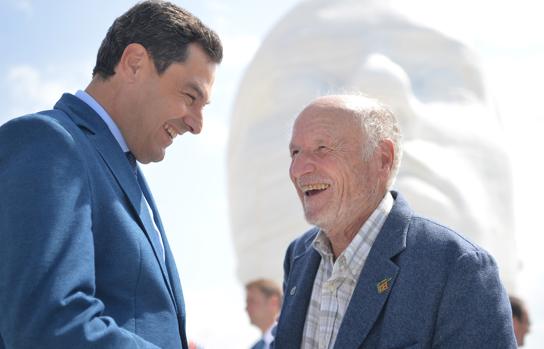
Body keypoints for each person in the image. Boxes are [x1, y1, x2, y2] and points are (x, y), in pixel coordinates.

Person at [0, 1, 222, 348]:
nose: (197, 124)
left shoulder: (121, 168)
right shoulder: (50, 144)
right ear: (134, 64)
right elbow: (47, 325)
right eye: (190, 96)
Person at [274, 94, 516, 348]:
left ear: (383, 159)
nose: (298, 169)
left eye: (322, 149)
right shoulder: (298, 257)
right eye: (295, 152)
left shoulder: (456, 266)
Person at [245, 279, 282, 349]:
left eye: (252, 301)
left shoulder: (290, 338)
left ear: (273, 302)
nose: (246, 308)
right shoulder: (255, 347)